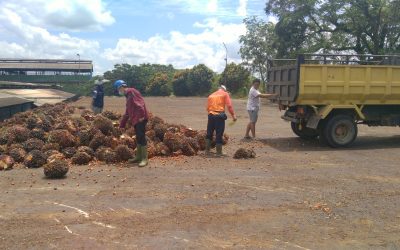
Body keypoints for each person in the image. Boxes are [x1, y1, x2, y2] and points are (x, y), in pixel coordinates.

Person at [114, 80, 150, 167]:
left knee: (141, 137)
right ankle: (138, 157)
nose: (118, 91)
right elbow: (127, 112)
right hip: (136, 119)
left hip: (140, 118)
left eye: (118, 89)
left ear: (121, 87)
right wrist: (122, 124)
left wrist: (141, 116)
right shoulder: (127, 96)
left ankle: (144, 159)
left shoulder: (131, 91)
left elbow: (140, 103)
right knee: (138, 137)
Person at [206, 85, 237, 156]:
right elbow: (229, 106)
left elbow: (207, 108)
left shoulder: (211, 95)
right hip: (219, 116)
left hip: (210, 115)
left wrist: (212, 113)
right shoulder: (225, 94)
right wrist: (233, 115)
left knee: (209, 133)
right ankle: (219, 152)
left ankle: (207, 151)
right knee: (219, 134)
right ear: (224, 90)